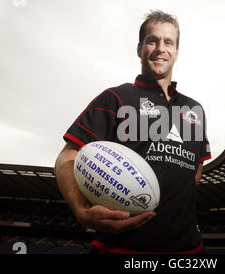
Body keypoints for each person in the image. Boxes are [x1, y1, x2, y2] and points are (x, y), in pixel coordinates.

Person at [54, 10, 211, 254]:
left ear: (177, 52)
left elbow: (198, 162)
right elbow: (68, 156)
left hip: (188, 249)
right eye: (152, 40)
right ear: (139, 49)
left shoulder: (195, 109)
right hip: (121, 248)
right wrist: (82, 210)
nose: (161, 48)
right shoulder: (115, 97)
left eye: (168, 42)